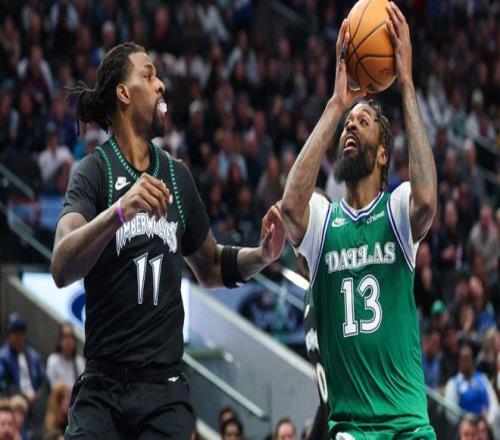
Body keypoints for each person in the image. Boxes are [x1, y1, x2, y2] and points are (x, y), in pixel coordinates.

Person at [51, 42, 285, 439]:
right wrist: (119, 211)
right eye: (148, 75)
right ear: (123, 94)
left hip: (164, 389)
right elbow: (61, 265)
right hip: (103, 385)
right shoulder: (93, 172)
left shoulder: (177, 176)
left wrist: (262, 254)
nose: (160, 85)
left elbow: (212, 266)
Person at [280, 3, 437, 438]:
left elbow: (427, 200)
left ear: (383, 153)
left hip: (409, 423)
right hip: (353, 427)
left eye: (362, 122)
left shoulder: (397, 210)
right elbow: (290, 207)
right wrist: (337, 105)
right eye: (349, 124)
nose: (351, 127)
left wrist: (406, 84)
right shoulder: (322, 222)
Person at [444, 342, 499, 426]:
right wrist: (472, 421)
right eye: (464, 358)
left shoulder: (482, 378)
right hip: (466, 427)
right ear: (459, 361)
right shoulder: (453, 383)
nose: (466, 362)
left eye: (468, 358)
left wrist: (489, 421)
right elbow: (451, 414)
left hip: (486, 425)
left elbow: (493, 402)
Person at [0, 314, 46, 403]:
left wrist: (37, 395)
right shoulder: (3, 357)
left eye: (21, 333)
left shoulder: (33, 355)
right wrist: (23, 396)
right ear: (9, 335)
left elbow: (44, 380)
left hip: (35, 398)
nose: (18, 337)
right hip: (15, 399)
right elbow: (2, 384)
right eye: (15, 334)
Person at [46, 323, 84, 390]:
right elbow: (52, 388)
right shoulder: (53, 360)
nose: (68, 341)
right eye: (65, 336)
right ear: (59, 340)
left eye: (71, 337)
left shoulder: (79, 362)